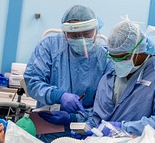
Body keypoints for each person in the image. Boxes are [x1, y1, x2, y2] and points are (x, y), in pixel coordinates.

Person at [87, 17, 155, 142]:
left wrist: (122, 128)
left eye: (122, 57)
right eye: (113, 57)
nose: (117, 62)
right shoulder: (111, 75)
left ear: (138, 51)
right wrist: (88, 127)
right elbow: (98, 117)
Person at [23, 4, 112, 142]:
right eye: (74, 35)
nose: (81, 40)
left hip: (84, 133)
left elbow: (104, 105)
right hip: (47, 130)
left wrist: (73, 118)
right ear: (64, 33)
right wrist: (58, 95)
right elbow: (33, 81)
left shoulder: (104, 59)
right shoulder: (49, 47)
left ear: (95, 30)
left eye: (86, 34)